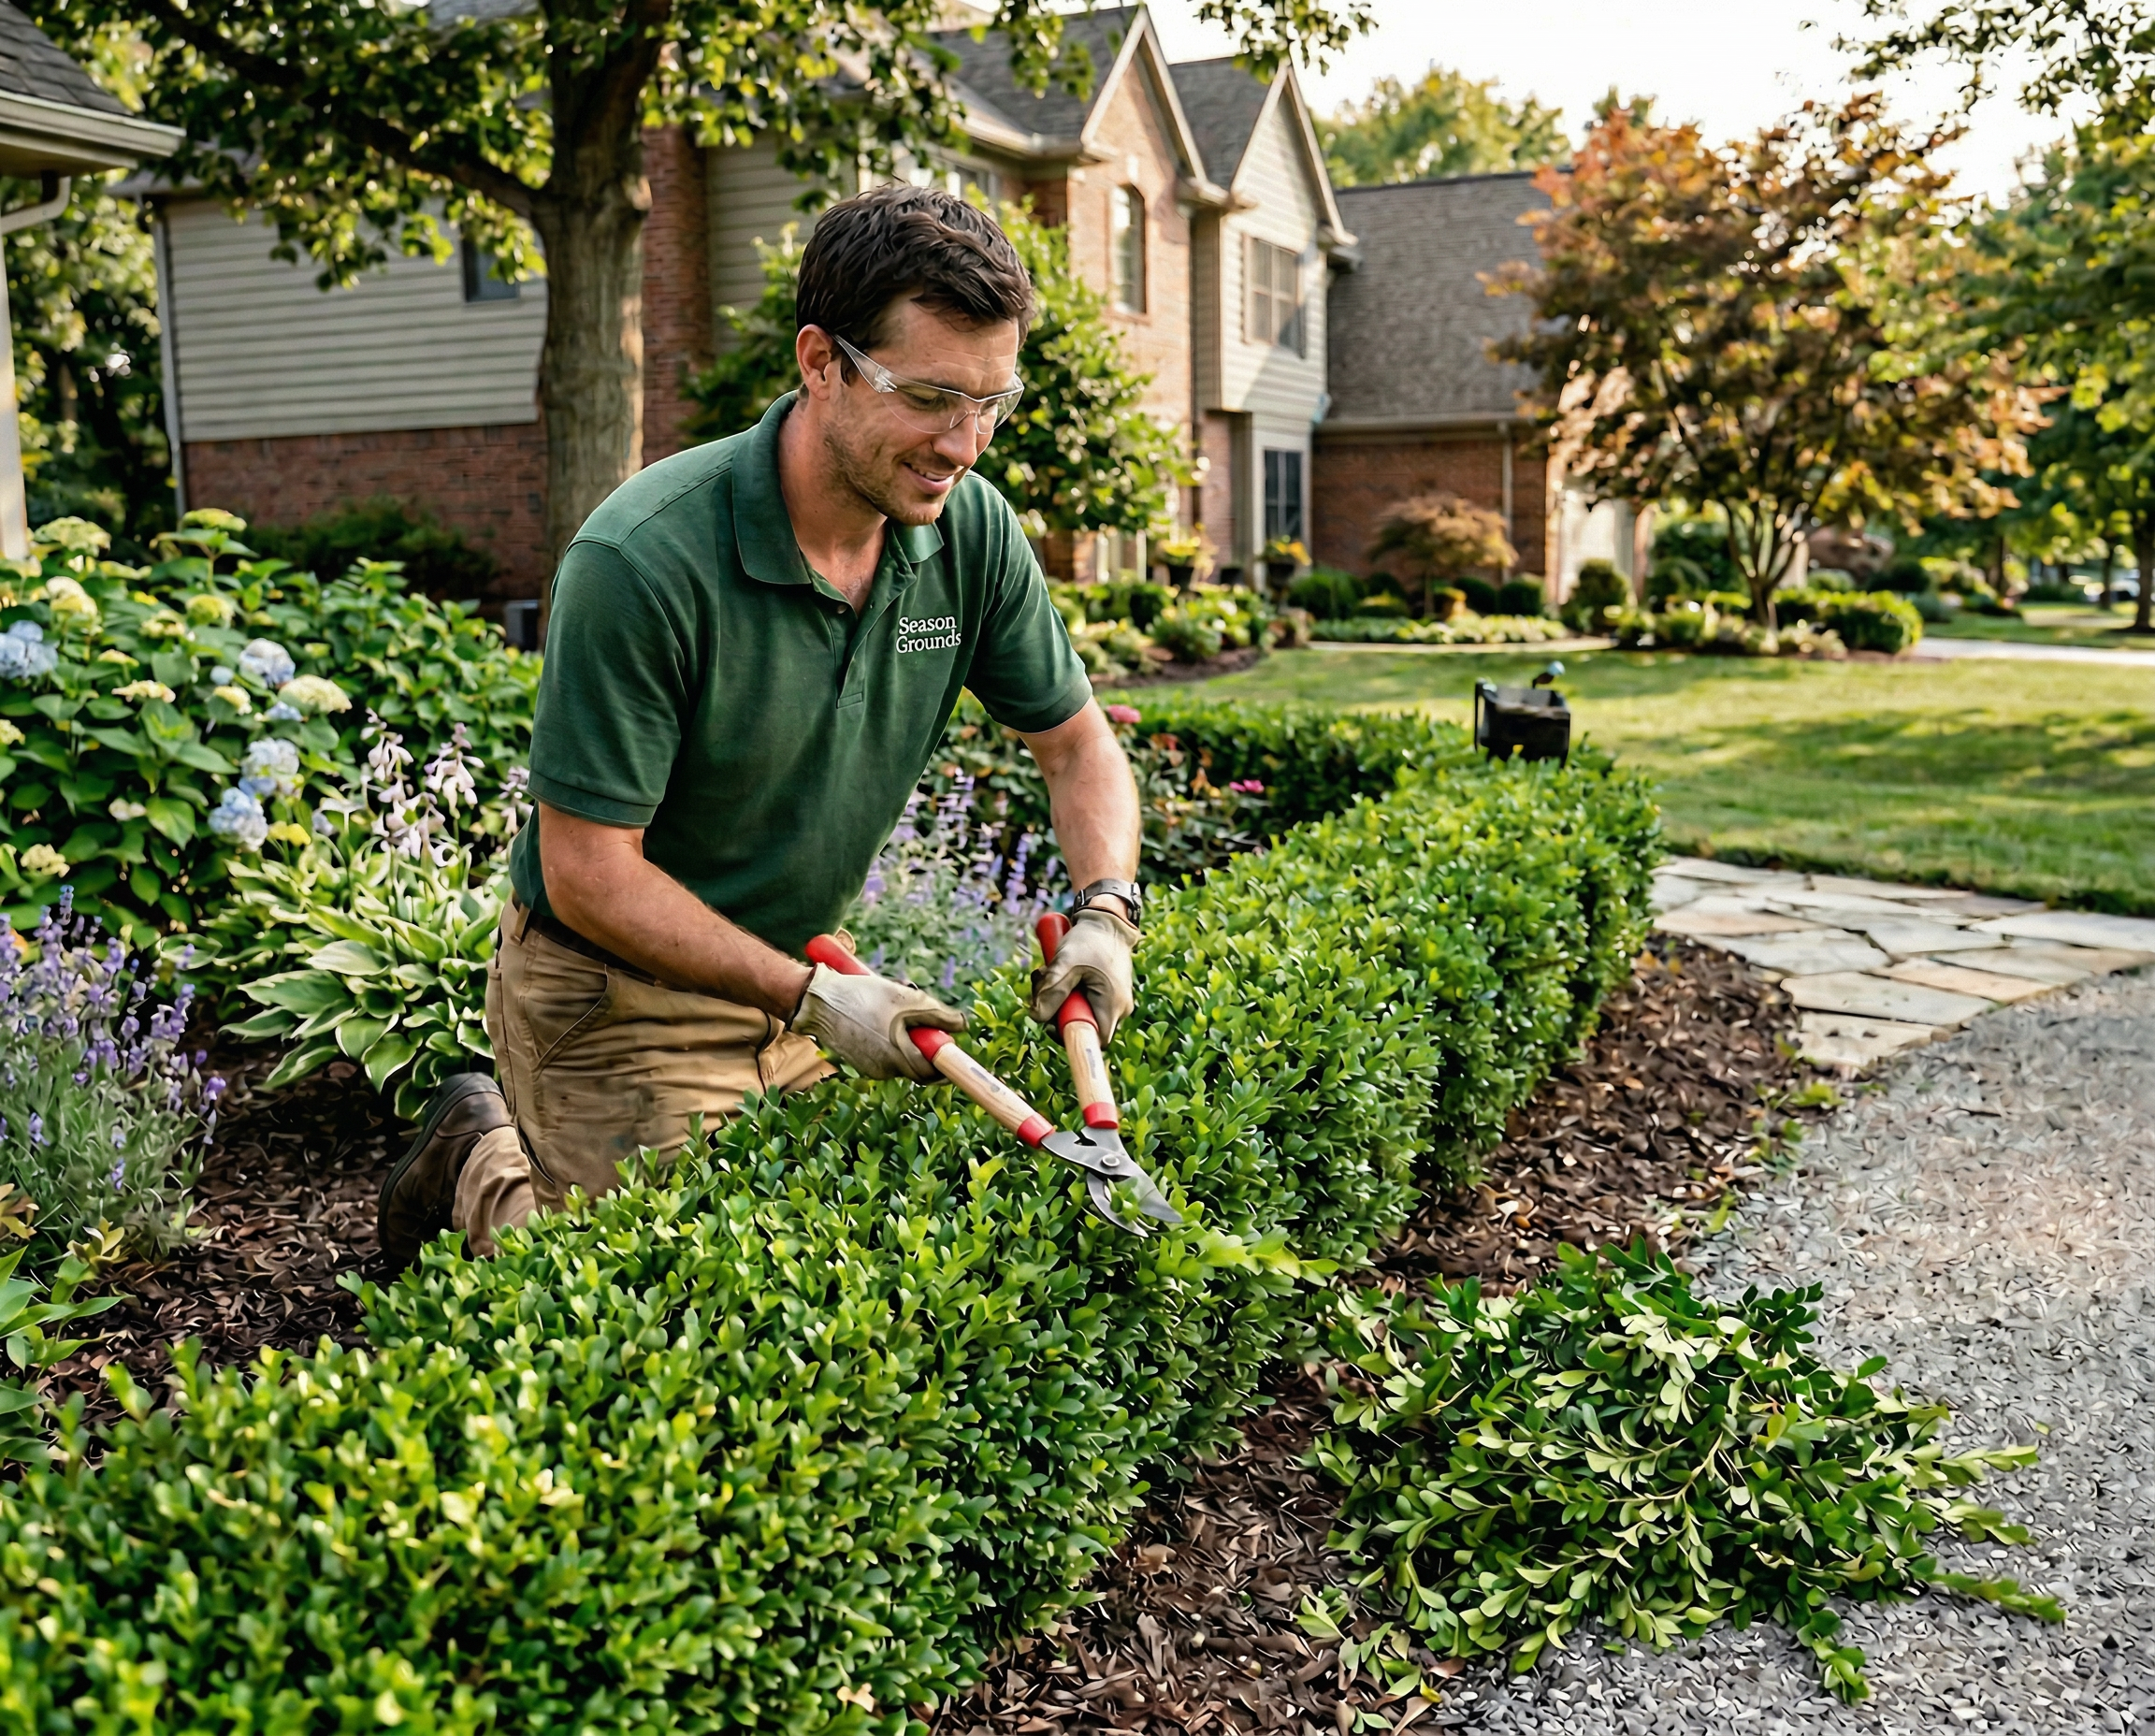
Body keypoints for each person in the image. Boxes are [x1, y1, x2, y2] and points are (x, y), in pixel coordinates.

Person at [376, 186, 1145, 1271]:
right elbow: (589, 870)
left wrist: (1107, 910)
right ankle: (477, 1157)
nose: (964, 445)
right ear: (821, 361)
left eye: (990, 402)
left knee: (857, 1249)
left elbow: (1077, 746)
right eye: (929, 395)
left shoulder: (968, 534)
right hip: (612, 989)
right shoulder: (641, 561)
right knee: (642, 1285)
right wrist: (815, 994)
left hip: (796, 979)